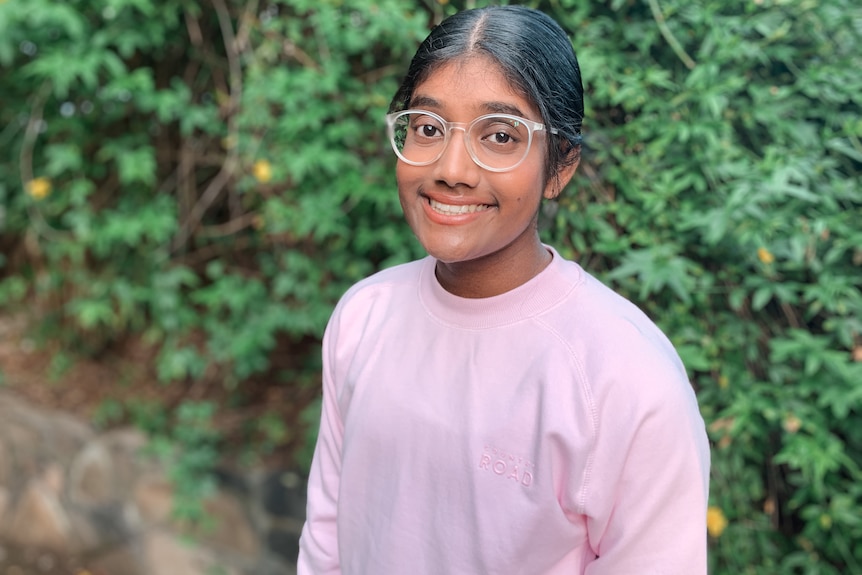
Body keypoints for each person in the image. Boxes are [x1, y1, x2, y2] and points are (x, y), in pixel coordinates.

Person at [297, 5, 710, 574]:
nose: (452, 168)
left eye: (499, 135)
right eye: (427, 127)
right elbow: (327, 538)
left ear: (560, 165)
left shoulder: (626, 380)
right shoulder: (364, 316)